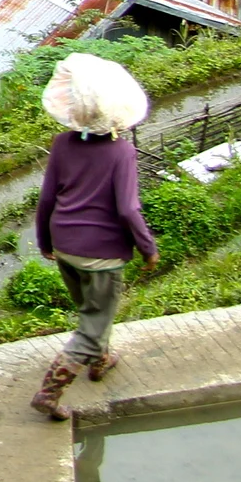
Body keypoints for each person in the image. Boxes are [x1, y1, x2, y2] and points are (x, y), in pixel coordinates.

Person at [30, 52, 157, 420]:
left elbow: (47, 199)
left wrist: (45, 242)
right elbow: (128, 209)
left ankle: (100, 360)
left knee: (91, 311)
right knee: (93, 325)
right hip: (101, 255)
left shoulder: (61, 144)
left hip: (65, 246)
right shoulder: (121, 152)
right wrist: (148, 248)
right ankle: (49, 393)